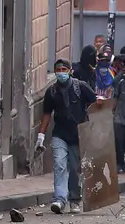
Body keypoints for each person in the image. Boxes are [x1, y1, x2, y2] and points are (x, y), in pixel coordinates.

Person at [36, 59, 96, 214]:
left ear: (70, 71)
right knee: (59, 164)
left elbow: (95, 103)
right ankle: (59, 199)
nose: (61, 72)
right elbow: (47, 114)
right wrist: (41, 135)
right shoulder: (52, 92)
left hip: (78, 135)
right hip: (60, 135)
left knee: (76, 170)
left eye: (64, 69)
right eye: (58, 70)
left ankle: (75, 200)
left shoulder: (81, 87)